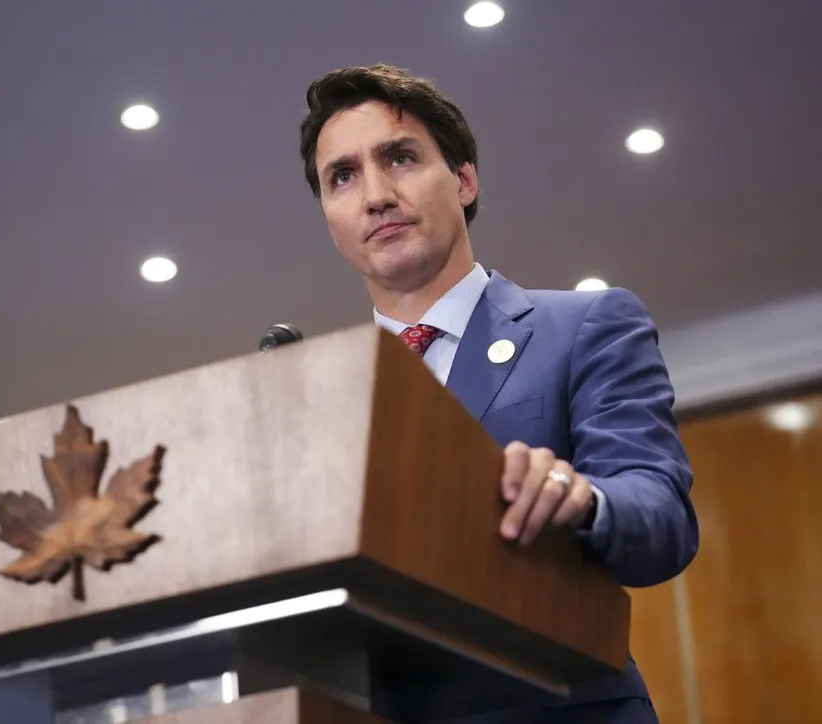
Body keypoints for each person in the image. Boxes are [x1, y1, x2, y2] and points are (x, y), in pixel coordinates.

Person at [298, 64, 699, 723]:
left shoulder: (586, 327)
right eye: (342, 176)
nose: (375, 195)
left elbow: (660, 514)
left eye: (398, 158)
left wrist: (581, 497)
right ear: (329, 216)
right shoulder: (316, 396)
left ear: (463, 179)